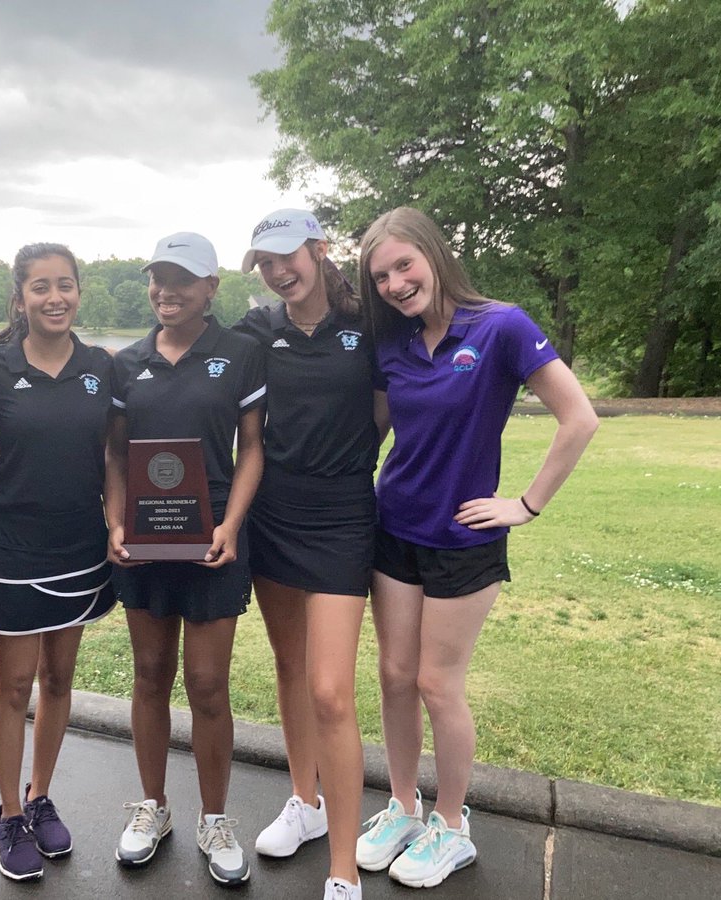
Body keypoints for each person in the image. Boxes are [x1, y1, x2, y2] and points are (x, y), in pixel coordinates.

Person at [355, 207, 598, 888]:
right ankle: (404, 807)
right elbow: (372, 435)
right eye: (381, 277)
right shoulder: (393, 343)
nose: (395, 284)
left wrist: (525, 505)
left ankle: (451, 826)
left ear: (434, 254)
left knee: (437, 683)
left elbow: (579, 418)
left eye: (404, 265)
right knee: (395, 676)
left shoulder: (501, 326)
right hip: (394, 529)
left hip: (464, 539)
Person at [232, 209, 386, 900]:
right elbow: (196, 362)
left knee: (330, 690)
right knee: (291, 667)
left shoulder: (367, 325)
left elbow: (386, 410)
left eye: (286, 257)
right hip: (273, 515)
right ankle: (306, 802)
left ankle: (344, 870)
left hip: (342, 518)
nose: (276, 271)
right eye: (264, 263)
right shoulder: (259, 329)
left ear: (320, 250)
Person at [105, 232, 266, 887]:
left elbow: (252, 448)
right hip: (144, 539)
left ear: (211, 288)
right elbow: (116, 453)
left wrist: (232, 523)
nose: (166, 291)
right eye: (158, 278)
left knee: (205, 684)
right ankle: (153, 807)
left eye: (182, 280)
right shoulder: (127, 362)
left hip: (211, 537)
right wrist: (115, 521)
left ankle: (215, 818)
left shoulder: (241, 354)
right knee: (150, 674)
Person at [0, 243, 116, 881]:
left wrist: (115, 519)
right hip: (13, 545)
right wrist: (29, 472)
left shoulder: (101, 366)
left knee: (59, 681)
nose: (55, 297)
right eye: (40, 287)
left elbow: (113, 454)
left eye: (65, 285)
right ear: (20, 297)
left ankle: (39, 796)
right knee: (14, 686)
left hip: (80, 542)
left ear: (78, 291)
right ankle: (8, 815)